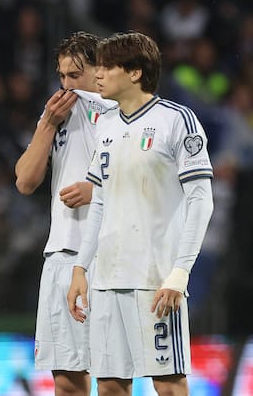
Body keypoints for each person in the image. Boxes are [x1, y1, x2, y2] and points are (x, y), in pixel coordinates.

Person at [67, 32, 214, 395]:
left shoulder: (177, 120)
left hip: (155, 280)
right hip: (107, 278)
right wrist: (81, 268)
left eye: (106, 67)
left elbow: (201, 200)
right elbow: (99, 201)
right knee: (111, 388)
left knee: (168, 387)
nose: (97, 74)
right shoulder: (106, 125)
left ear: (135, 73)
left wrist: (179, 273)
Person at [15, 31, 114, 396]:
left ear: (98, 71)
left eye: (76, 75)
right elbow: (25, 181)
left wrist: (95, 189)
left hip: (107, 256)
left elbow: (144, 179)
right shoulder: (56, 112)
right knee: (67, 381)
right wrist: (46, 124)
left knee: (113, 378)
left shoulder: (119, 113)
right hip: (61, 252)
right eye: (62, 76)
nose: (68, 85)